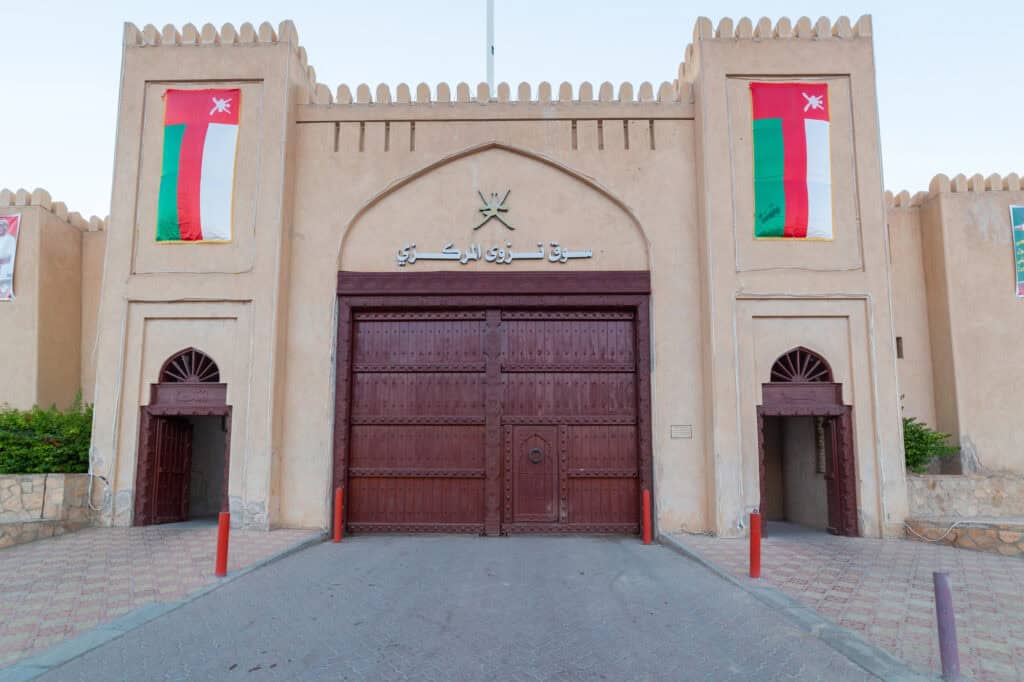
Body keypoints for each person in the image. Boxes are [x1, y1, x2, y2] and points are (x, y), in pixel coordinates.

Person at [0, 216, 18, 299]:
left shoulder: (10, 239)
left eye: (2, 225)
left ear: (6, 227)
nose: (1, 227)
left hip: (4, 272)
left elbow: (10, 257)